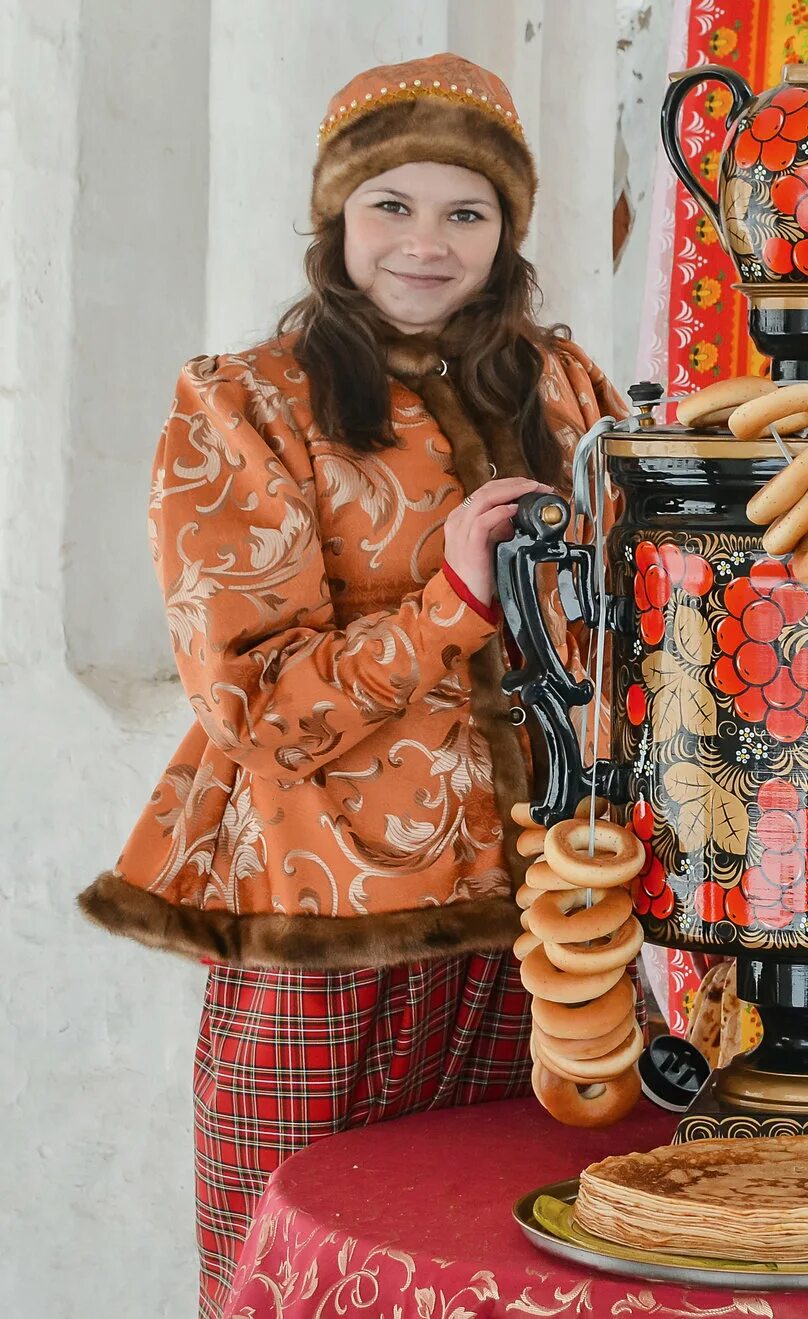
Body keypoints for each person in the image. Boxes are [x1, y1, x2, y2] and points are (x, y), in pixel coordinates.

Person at [77, 52, 629, 1319]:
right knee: (306, 1277)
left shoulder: (565, 386)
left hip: (546, 933)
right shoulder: (245, 404)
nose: (426, 243)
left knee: (527, 1274)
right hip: (327, 926)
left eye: (465, 211)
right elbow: (255, 707)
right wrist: (452, 602)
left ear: (507, 232)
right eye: (392, 203)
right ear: (337, 217)